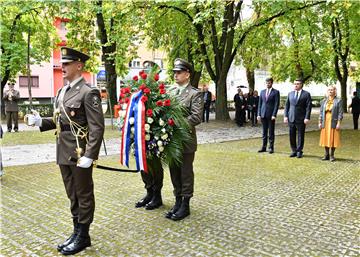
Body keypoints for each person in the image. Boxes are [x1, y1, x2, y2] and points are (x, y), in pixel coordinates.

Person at [27, 47, 104, 255]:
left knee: (83, 194)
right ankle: (77, 230)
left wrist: (90, 155)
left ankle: (84, 235)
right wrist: (39, 122)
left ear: (79, 66)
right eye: (63, 63)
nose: (63, 67)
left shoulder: (89, 92)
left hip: (80, 152)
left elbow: (97, 127)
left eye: (67, 63)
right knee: (72, 194)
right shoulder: (63, 91)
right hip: (63, 150)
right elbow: (59, 121)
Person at [166, 58, 203, 221]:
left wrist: (175, 124)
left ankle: (186, 205)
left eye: (179, 72)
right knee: (174, 172)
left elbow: (196, 117)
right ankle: (178, 201)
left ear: (187, 74)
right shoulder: (170, 92)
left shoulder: (195, 94)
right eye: (174, 72)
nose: (175, 75)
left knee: (185, 173)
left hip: (186, 141)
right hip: (171, 141)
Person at [135, 60, 164, 211]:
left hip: (154, 135)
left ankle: (157, 195)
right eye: (145, 72)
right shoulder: (138, 91)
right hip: (140, 135)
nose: (147, 75)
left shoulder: (161, 91)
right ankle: (149, 192)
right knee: (143, 165)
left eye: (150, 72)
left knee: (155, 166)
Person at [284, 78, 312, 158]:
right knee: (291, 135)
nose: (295, 85)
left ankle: (299, 151)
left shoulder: (306, 94)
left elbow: (308, 107)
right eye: (295, 83)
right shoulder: (290, 94)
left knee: (300, 135)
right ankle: (294, 150)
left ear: (301, 85)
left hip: (301, 118)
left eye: (297, 84)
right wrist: (285, 116)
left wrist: (307, 117)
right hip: (291, 118)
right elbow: (287, 106)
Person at [319, 86, 343, 162]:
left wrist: (338, 123)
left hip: (333, 122)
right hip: (325, 122)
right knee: (325, 137)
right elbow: (320, 113)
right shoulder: (323, 101)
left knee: (333, 138)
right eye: (329, 90)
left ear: (335, 91)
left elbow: (340, 113)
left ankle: (332, 155)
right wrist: (319, 122)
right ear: (327, 91)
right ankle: (326, 154)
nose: (330, 91)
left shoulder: (338, 101)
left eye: (332, 90)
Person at [257, 78, 280, 153]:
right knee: (264, 132)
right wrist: (258, 114)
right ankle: (263, 147)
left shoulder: (276, 92)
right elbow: (260, 104)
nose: (268, 84)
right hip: (263, 114)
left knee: (271, 132)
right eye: (266, 83)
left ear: (272, 83)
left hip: (271, 115)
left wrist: (274, 114)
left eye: (269, 83)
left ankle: (271, 147)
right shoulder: (262, 92)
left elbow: (276, 104)